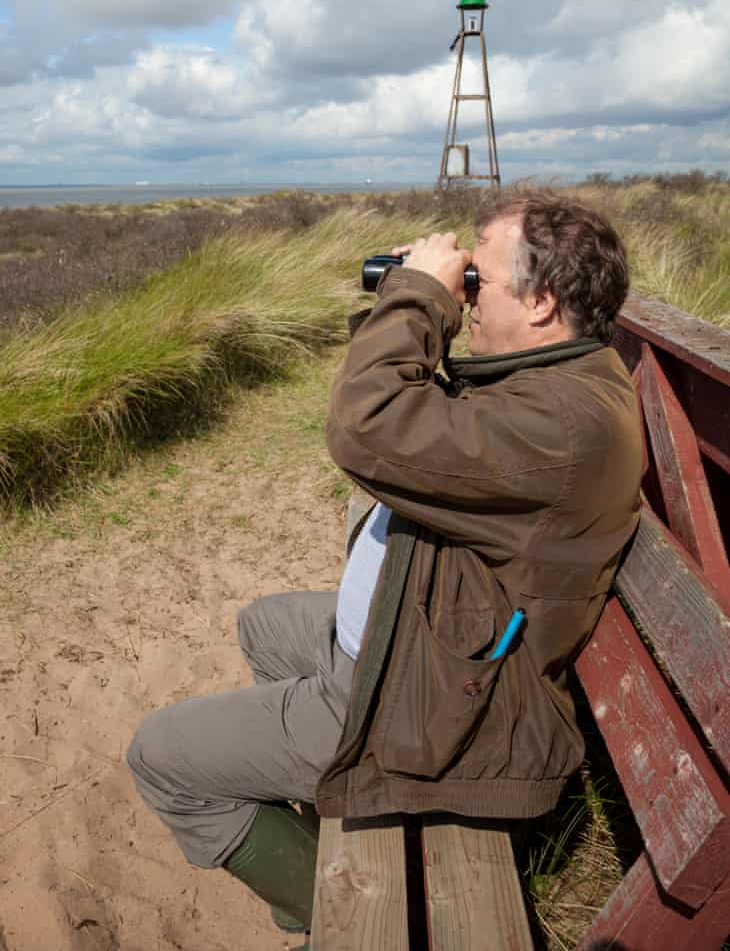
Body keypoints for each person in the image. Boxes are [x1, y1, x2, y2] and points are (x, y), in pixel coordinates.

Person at [126, 190, 643, 944]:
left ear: (540, 304)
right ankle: (321, 814)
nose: (467, 295)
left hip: (440, 709)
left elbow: (366, 429)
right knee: (263, 625)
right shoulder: (561, 382)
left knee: (160, 757)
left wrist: (419, 298)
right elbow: (411, 417)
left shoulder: (561, 425)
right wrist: (413, 301)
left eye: (480, 281)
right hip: (426, 644)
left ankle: (335, 919)